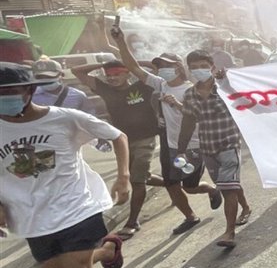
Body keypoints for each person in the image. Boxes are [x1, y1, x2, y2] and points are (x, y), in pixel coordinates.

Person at [0, 62, 130, 268]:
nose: (4, 98)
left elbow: (118, 136)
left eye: (10, 91)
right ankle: (108, 250)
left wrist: (124, 176)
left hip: (76, 206)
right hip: (31, 216)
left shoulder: (66, 118)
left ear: (29, 91)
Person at [111, 31, 224, 235]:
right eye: (160, 66)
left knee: (190, 186)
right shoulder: (160, 84)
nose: (163, 70)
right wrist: (120, 41)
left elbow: (202, 117)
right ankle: (190, 216)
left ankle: (210, 189)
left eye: (167, 66)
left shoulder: (193, 89)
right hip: (170, 145)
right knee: (171, 183)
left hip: (193, 146)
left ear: (179, 68)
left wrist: (179, 105)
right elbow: (133, 67)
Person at [73, 58, 161, 241]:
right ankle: (173, 183)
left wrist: (128, 62)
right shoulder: (105, 90)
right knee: (140, 175)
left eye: (116, 74)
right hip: (122, 141)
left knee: (137, 181)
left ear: (127, 72)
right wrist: (103, 65)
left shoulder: (143, 85)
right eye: (109, 75)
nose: (112, 78)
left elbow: (155, 66)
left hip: (146, 138)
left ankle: (132, 222)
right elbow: (77, 71)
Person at [178, 51, 252, 248]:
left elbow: (246, 99)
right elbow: (187, 123)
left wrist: (227, 78)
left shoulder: (224, 86)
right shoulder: (189, 95)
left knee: (228, 189)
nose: (198, 70)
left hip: (229, 144)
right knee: (229, 184)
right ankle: (245, 208)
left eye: (202, 65)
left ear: (211, 65)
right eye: (194, 67)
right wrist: (180, 150)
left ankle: (229, 232)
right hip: (208, 148)